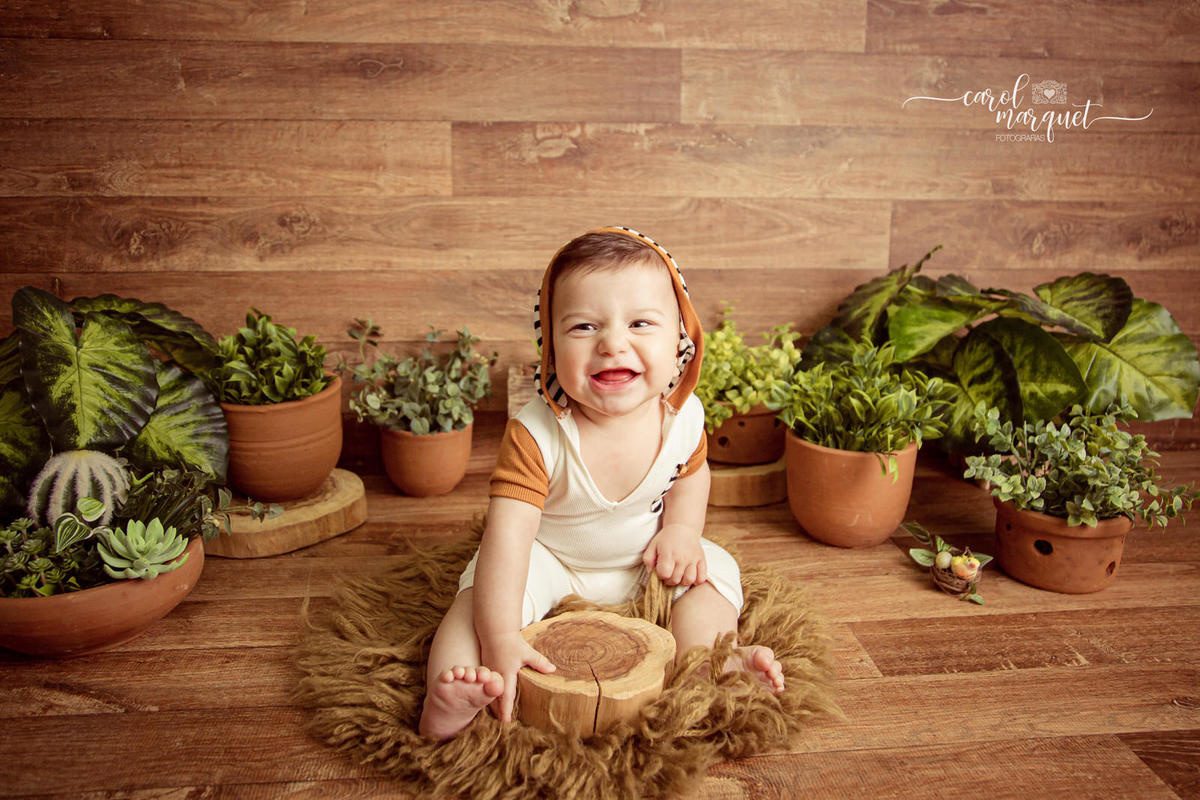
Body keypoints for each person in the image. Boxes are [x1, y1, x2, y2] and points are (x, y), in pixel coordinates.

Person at [419, 226, 785, 740]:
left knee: (713, 574)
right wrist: (498, 632)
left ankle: (711, 660)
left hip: (644, 559)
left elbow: (692, 476)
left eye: (640, 322)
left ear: (679, 338)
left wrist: (680, 531)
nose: (614, 343)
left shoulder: (682, 417)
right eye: (585, 327)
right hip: (550, 561)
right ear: (550, 346)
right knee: (479, 597)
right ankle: (450, 694)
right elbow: (509, 537)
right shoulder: (537, 434)